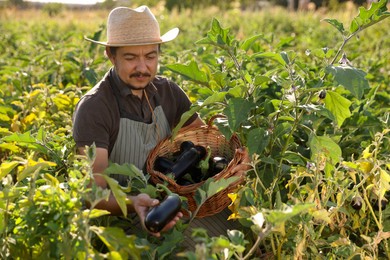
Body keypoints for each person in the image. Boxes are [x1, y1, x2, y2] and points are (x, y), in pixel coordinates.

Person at [72, 5, 250, 244]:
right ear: (111, 56)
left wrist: (238, 161)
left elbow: (204, 144)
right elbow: (92, 192)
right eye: (131, 58)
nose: (142, 68)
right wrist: (134, 204)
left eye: (150, 57)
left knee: (247, 232)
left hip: (178, 202)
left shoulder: (168, 92)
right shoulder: (95, 107)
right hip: (124, 217)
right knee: (205, 248)